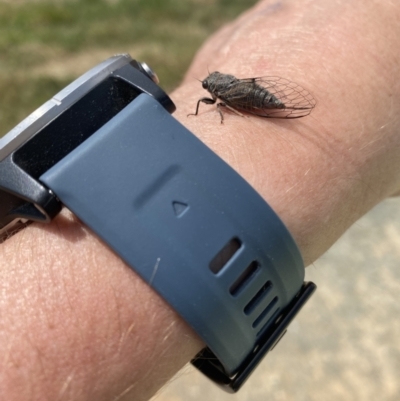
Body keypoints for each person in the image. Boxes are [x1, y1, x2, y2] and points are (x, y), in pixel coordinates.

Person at [1, 1, 400, 400]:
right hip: (244, 95)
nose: (207, 91)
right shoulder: (216, 93)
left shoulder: (223, 95)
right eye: (210, 89)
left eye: (210, 89)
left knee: (263, 103)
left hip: (250, 97)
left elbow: (230, 100)